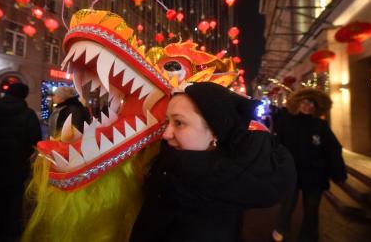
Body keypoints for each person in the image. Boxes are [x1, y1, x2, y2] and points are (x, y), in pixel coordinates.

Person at [130, 82, 296, 242]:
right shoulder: (171, 169)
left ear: (215, 133)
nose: (166, 134)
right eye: (168, 121)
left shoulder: (211, 194)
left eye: (179, 123)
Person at [271, 88, 347, 242]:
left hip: (315, 175)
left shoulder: (321, 125)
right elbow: (275, 146)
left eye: (312, 103)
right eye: (305, 101)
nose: (308, 105)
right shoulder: (285, 122)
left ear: (316, 106)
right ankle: (281, 228)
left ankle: (309, 236)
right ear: (297, 103)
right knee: (287, 205)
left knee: (312, 210)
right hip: (291, 173)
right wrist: (275, 167)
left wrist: (338, 172)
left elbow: (333, 148)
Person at [0, 82, 42, 242]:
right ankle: (11, 232)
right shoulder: (28, 113)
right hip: (17, 163)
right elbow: (35, 140)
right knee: (14, 198)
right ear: (23, 95)